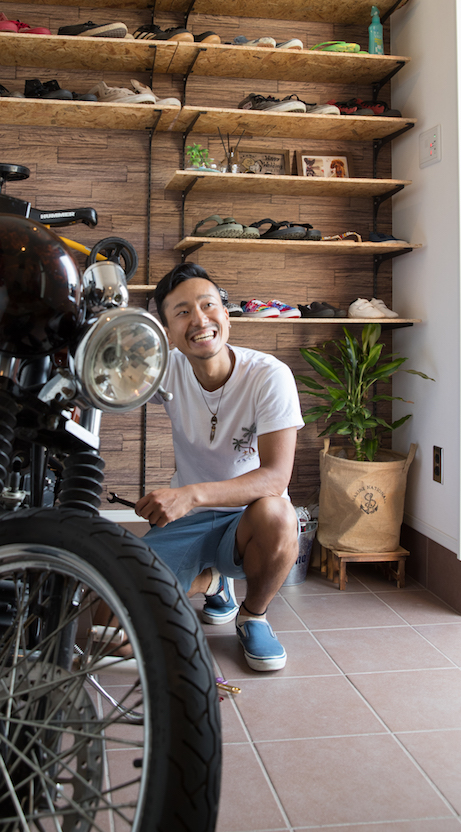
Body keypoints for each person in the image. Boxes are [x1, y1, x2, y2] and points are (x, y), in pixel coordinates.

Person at [136, 262, 304, 671]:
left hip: (248, 517)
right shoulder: (166, 369)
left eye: (208, 305)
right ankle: (212, 582)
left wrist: (191, 495)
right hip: (189, 518)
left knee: (280, 515)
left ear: (226, 315)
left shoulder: (269, 376)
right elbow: (111, 384)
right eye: (182, 312)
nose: (199, 320)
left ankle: (253, 616)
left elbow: (276, 477)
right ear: (168, 333)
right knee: (116, 629)